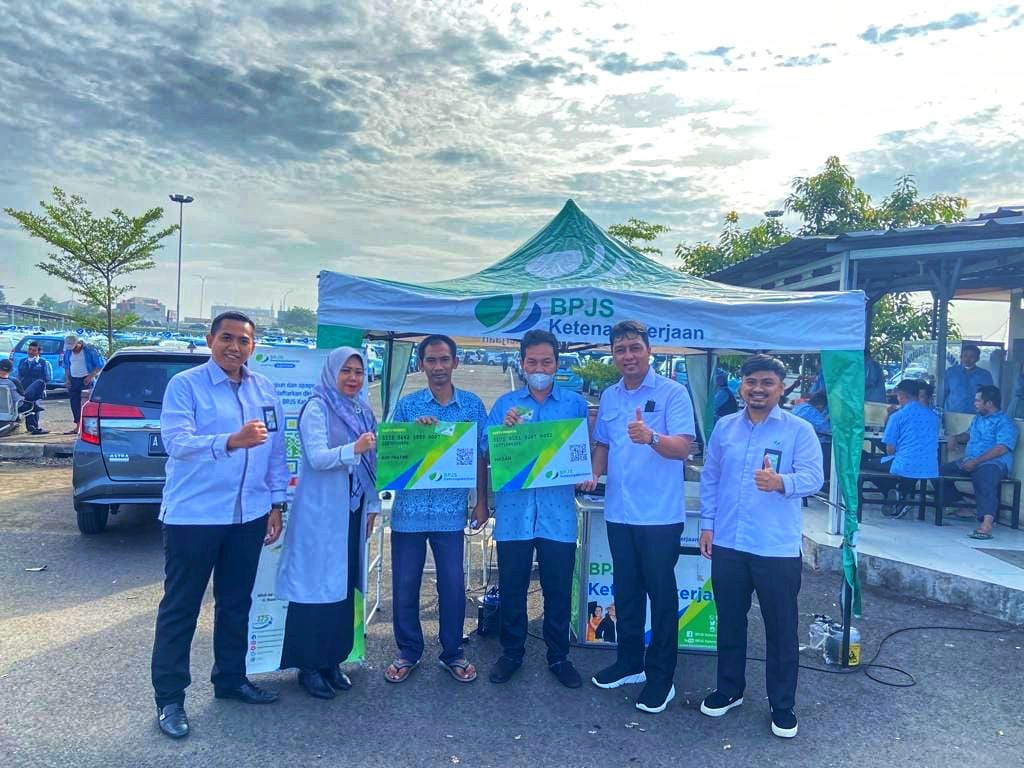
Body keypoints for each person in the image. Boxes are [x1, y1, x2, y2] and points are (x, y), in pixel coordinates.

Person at [150, 312, 288, 740]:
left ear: (253, 347)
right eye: (226, 338)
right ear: (210, 340)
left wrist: (276, 503)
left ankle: (230, 679)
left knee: (236, 603)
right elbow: (175, 442)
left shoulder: (264, 388)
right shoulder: (186, 385)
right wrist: (230, 441)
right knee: (181, 608)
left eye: (243, 341)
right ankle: (169, 698)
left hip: (248, 515)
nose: (234, 347)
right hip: (194, 517)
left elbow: (276, 449)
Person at [698, 354, 824, 739]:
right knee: (730, 620)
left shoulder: (799, 430)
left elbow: (814, 477)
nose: (758, 389)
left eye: (767, 382)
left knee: (781, 628)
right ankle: (729, 689)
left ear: (781, 388)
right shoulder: (724, 427)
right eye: (751, 381)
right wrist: (707, 525)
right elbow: (710, 477)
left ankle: (782, 704)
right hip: (729, 542)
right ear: (741, 386)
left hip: (775, 547)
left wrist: (782, 483)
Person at [582, 320, 696, 714]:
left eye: (634, 348)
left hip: (659, 516)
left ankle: (661, 677)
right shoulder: (610, 396)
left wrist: (652, 437)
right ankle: (630, 662)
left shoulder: (672, 393)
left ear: (649, 351)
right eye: (620, 349)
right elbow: (603, 444)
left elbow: (683, 449)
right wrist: (594, 473)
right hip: (619, 511)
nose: (627, 356)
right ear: (612, 355)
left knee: (661, 597)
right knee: (626, 593)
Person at [480, 329, 589, 688]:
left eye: (546, 362)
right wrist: (504, 431)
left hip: (558, 515)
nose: (539, 368)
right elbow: (485, 450)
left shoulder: (574, 405)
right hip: (515, 515)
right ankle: (512, 653)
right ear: (522, 363)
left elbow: (584, 452)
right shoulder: (505, 405)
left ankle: (559, 656)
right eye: (532, 362)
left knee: (558, 590)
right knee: (512, 588)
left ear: (557, 363)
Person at [275, 348, 379, 699]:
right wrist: (354, 448)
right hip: (321, 515)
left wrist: (372, 506)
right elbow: (318, 457)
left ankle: (333, 660)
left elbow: (373, 464)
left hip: (352, 511)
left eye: (358, 372)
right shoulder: (316, 407)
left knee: (342, 587)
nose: (353, 378)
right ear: (331, 372)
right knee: (314, 589)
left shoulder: (362, 410)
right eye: (346, 371)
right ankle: (309, 666)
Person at [384, 334, 488, 684]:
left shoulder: (471, 406)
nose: (439, 366)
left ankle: (453, 652)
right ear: (421, 365)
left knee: (453, 586)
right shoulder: (408, 406)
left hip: (450, 512)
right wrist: (413, 436)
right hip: (409, 513)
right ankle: (408, 651)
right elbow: (393, 455)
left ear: (455, 362)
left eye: (445, 359)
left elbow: (481, 456)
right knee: (405, 585)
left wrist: (481, 502)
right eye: (431, 360)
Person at [938, 385, 1017, 540]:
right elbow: (968, 435)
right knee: (938, 472)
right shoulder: (978, 418)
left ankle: (986, 524)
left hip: (994, 462)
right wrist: (955, 438)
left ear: (989, 403)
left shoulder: (1005, 422)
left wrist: (976, 461)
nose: (974, 403)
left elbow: (1002, 448)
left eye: (978, 401)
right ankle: (961, 505)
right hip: (970, 460)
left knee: (984, 480)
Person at [862, 379, 940, 517]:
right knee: (882, 461)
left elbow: (890, 450)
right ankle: (899, 493)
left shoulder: (898, 416)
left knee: (863, 462)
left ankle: (893, 492)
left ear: (902, 395)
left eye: (897, 395)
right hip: (930, 466)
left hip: (904, 464)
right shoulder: (934, 416)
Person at [62, 334, 104, 434]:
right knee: (74, 403)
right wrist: (67, 379)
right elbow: (67, 366)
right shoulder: (68, 352)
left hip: (86, 380)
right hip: (73, 379)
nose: (73, 349)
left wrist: (90, 376)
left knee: (87, 404)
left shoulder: (90, 350)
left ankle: (88, 428)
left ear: (79, 343)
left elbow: (99, 365)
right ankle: (78, 426)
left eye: (74, 346)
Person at [943, 344, 993, 413]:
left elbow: (989, 396)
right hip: (952, 412)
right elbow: (944, 392)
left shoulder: (985, 375)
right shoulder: (951, 372)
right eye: (965, 355)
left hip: (975, 413)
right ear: (961, 357)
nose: (967, 359)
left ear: (977, 358)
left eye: (972, 356)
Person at [16, 340, 51, 434]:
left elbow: (47, 377)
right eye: (30, 349)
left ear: (38, 352)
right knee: (27, 406)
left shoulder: (43, 362)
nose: (31, 352)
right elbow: (18, 376)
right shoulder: (23, 361)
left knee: (34, 406)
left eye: (34, 350)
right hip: (24, 388)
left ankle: (34, 426)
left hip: (37, 391)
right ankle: (31, 427)